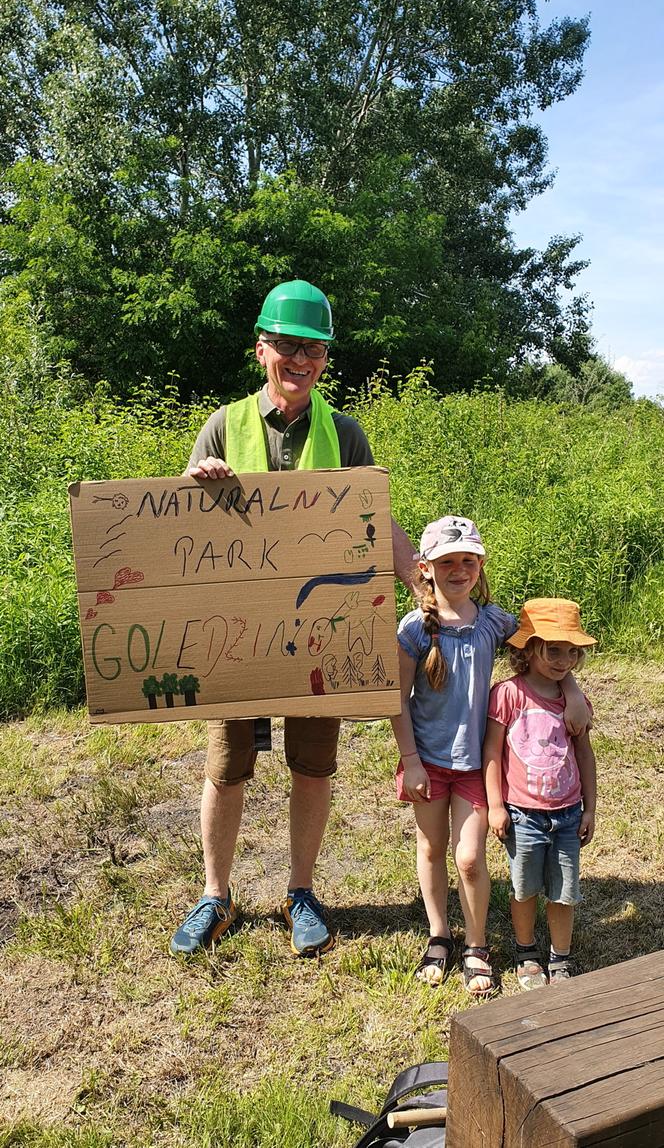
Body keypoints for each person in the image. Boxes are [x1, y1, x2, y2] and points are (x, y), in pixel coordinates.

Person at [169, 279, 416, 959]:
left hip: (320, 638)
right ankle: (215, 895)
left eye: (311, 347)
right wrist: (200, 483)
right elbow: (182, 532)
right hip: (236, 640)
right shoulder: (223, 424)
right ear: (261, 350)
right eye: (285, 345)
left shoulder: (346, 432)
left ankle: (300, 892)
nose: (298, 358)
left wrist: (424, 578)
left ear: (326, 357)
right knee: (227, 767)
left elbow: (374, 522)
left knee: (313, 766)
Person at [391, 517, 590, 996]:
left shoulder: (493, 621)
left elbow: (543, 651)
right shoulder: (415, 629)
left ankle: (476, 945)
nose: (459, 570)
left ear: (480, 566)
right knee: (431, 849)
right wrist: (411, 759)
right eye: (447, 562)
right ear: (425, 568)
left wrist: (572, 685)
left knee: (470, 858)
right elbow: (396, 699)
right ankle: (440, 935)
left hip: (477, 767)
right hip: (429, 761)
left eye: (468, 561)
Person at [482, 598, 597, 990]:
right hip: (523, 815)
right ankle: (526, 952)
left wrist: (590, 809)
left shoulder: (575, 703)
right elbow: (491, 753)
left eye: (572, 652)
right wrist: (496, 805)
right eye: (552, 649)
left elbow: (585, 754)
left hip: (567, 813)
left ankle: (560, 959)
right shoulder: (507, 695)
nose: (563, 660)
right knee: (524, 887)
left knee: (564, 893)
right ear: (527, 649)